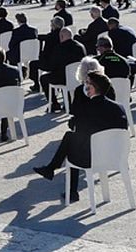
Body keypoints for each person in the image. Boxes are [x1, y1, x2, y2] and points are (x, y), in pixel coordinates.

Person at [32, 70, 128, 200]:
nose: (85, 86)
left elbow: (78, 129)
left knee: (72, 141)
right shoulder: (119, 107)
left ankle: (68, 187)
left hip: (95, 157)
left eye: (87, 83)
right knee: (73, 139)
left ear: (93, 88)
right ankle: (51, 169)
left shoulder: (87, 108)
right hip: (116, 155)